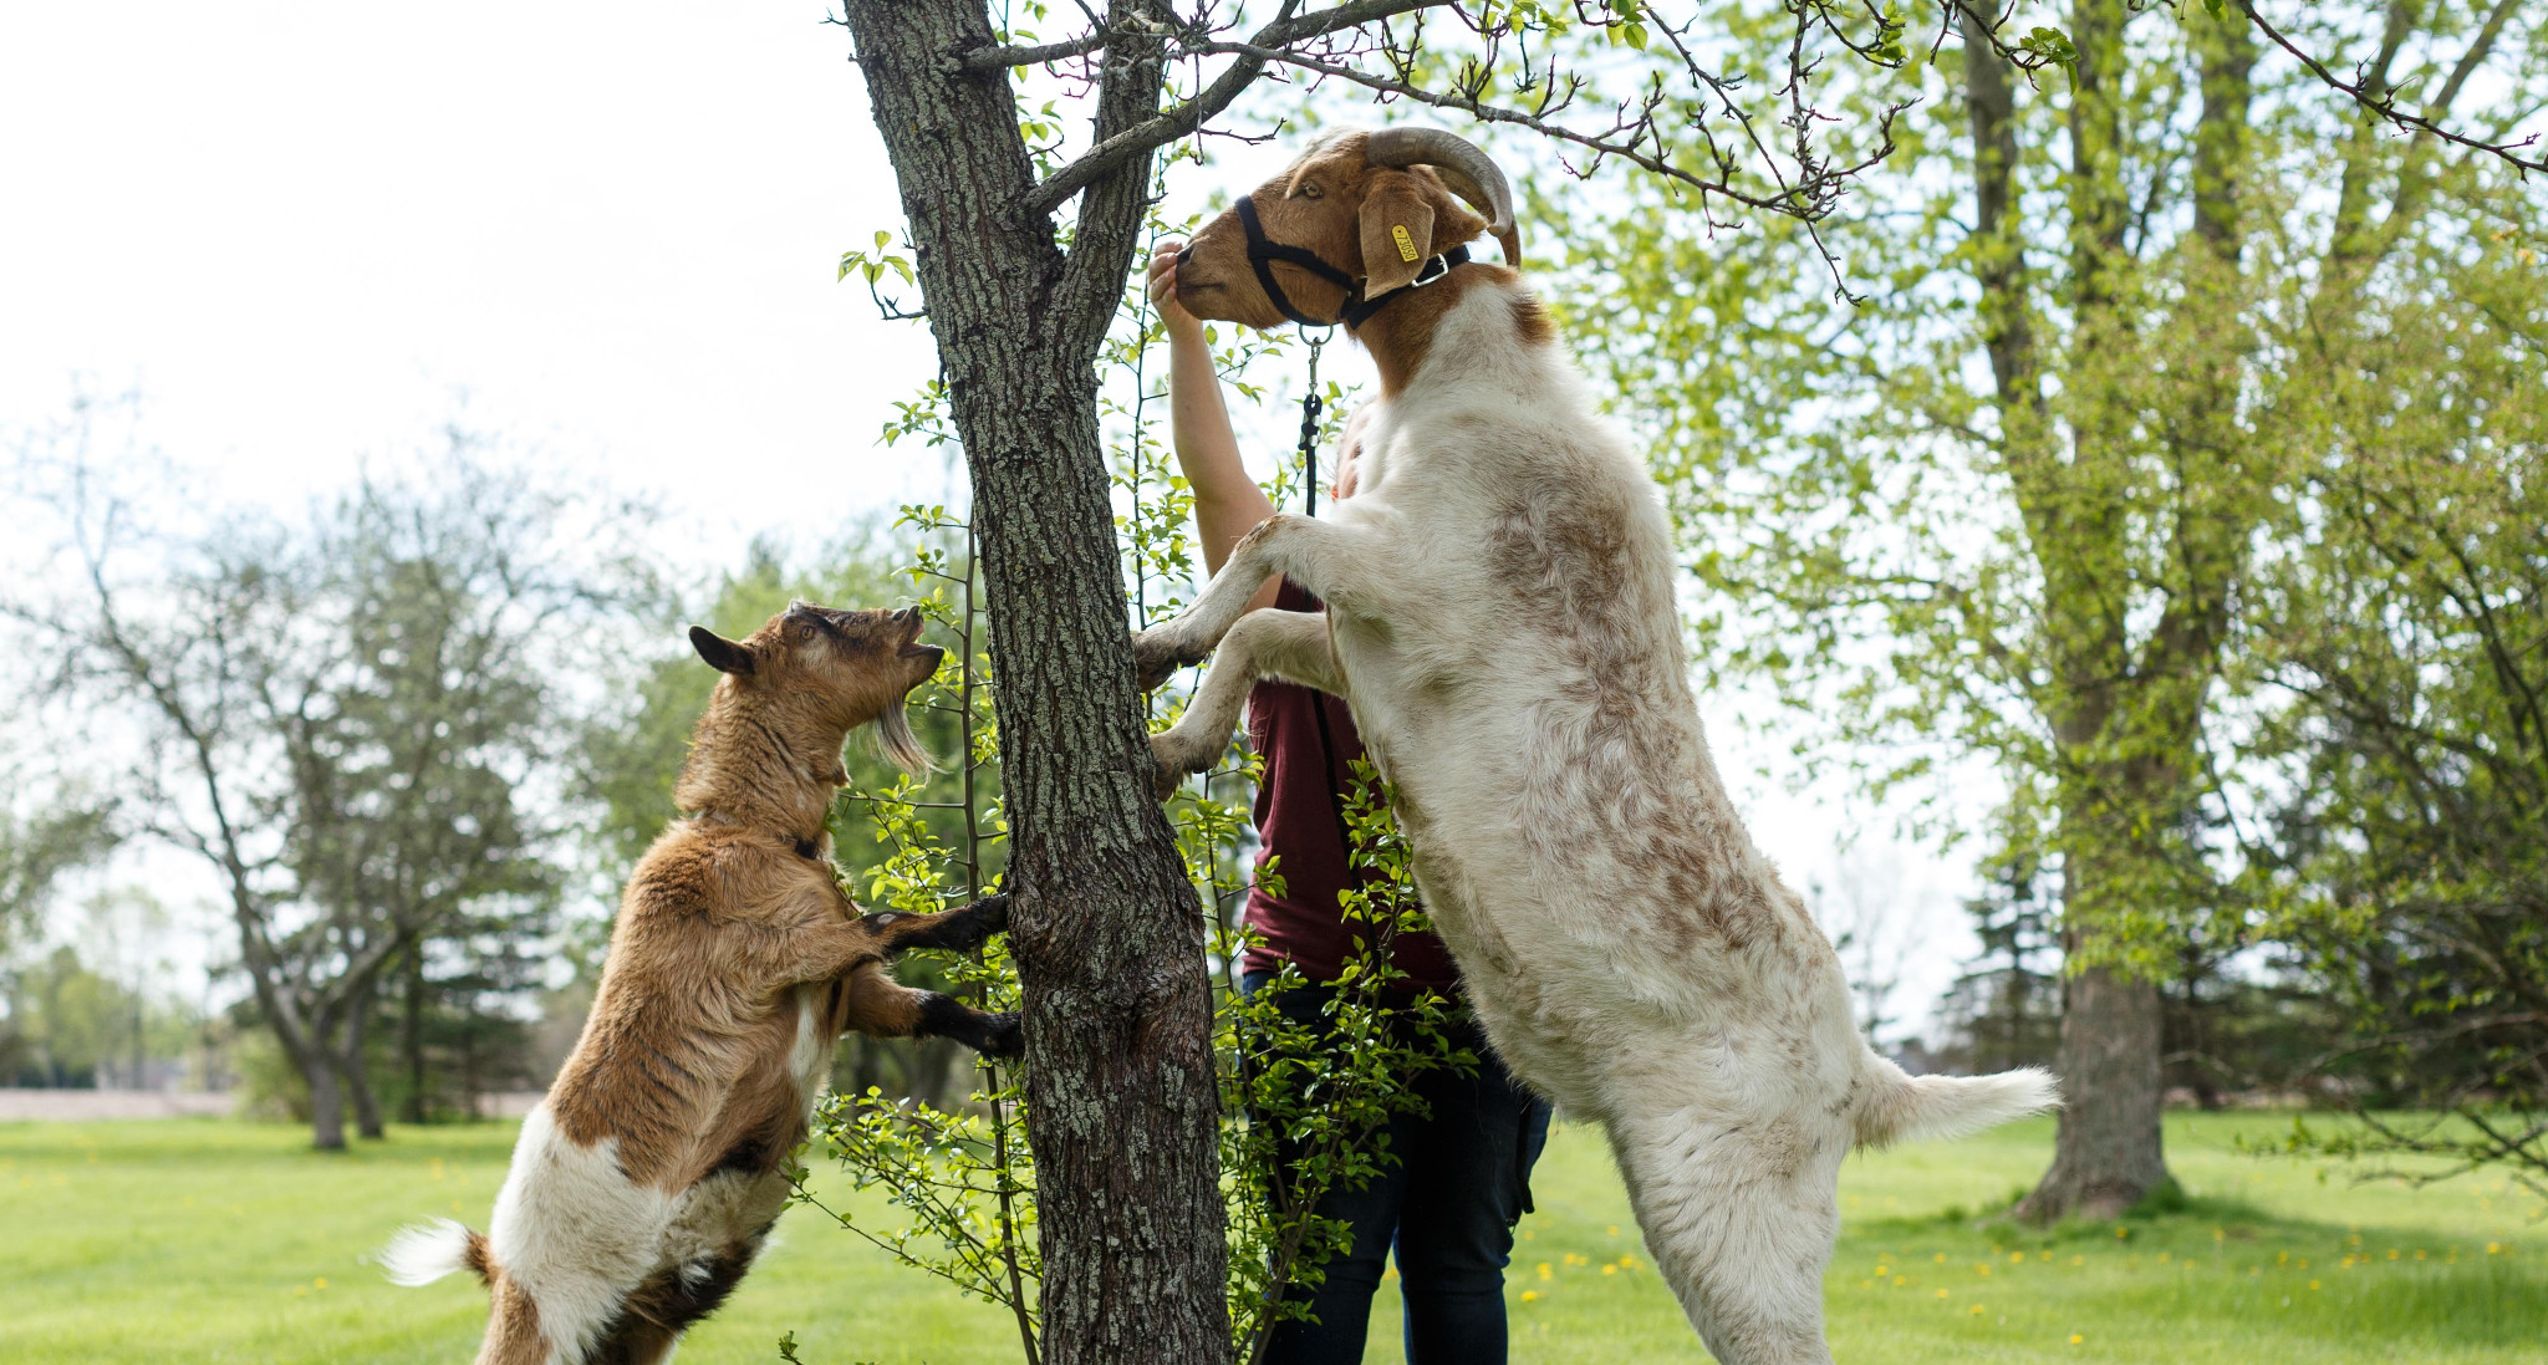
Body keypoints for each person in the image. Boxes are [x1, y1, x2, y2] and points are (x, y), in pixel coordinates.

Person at [1148, 239, 1554, 1364]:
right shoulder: (1279, 584)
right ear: (1337, 489)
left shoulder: (1500, 625)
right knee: (1321, 1278)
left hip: (1479, 1011)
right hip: (1314, 989)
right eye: (1358, 459)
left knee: (1456, 1273)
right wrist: (1188, 334)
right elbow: (1213, 479)